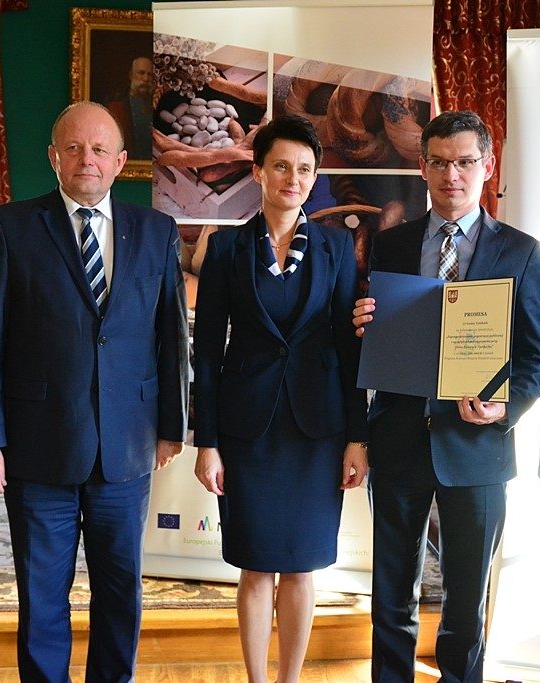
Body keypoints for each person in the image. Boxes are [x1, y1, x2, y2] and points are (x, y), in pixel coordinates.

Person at [0, 101, 189, 682]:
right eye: (74, 147)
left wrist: (172, 425)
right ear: (53, 157)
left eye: (100, 149)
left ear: (120, 161)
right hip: (37, 449)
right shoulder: (8, 228)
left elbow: (172, 337)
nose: (88, 158)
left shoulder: (156, 232)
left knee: (121, 594)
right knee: (42, 599)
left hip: (126, 449)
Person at [352, 110, 540, 683]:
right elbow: (373, 340)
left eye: (465, 162)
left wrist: (507, 408)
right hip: (398, 441)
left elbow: (538, 357)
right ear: (422, 167)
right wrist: (362, 323)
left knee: (466, 604)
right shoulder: (390, 245)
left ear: (487, 166)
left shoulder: (521, 251)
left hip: (478, 446)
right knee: (392, 597)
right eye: (439, 162)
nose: (452, 175)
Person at [192, 114, 369, 683]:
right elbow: (207, 354)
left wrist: (358, 437)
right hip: (248, 429)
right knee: (254, 567)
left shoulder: (337, 247)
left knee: (300, 568)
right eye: (281, 167)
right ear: (258, 172)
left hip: (317, 429)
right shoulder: (225, 248)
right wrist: (207, 442)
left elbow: (348, 347)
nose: (293, 179)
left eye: (305, 169)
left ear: (314, 177)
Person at [106, 56, 154, 160]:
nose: (146, 79)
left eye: (149, 74)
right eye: (141, 73)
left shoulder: (157, 103)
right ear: (131, 75)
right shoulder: (116, 105)